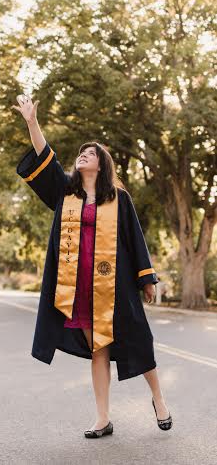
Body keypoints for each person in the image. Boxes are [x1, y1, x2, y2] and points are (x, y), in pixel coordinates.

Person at [12, 93, 173, 438]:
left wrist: (147, 279)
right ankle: (103, 418)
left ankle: (158, 398)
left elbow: (135, 240)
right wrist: (31, 122)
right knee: (98, 349)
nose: (82, 156)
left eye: (89, 154)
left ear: (101, 164)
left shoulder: (119, 199)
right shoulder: (65, 194)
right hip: (79, 286)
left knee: (139, 342)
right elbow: (44, 155)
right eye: (81, 154)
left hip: (116, 287)